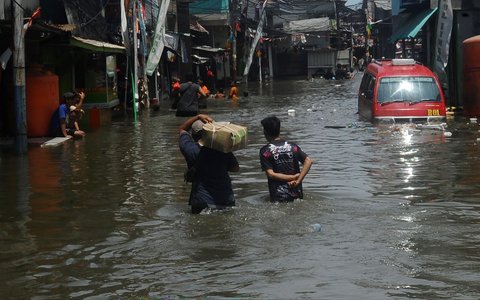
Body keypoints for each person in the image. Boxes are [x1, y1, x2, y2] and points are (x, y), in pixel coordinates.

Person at [179, 114, 240, 213]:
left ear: (194, 136)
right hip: (226, 200)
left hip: (202, 201)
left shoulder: (190, 150)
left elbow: (182, 129)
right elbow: (235, 168)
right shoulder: (223, 149)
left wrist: (198, 116)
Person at [259, 115, 313, 202]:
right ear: (279, 130)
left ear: (265, 132)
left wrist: (291, 177)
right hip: (297, 193)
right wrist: (298, 180)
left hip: (278, 196)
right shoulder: (293, 147)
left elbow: (271, 174)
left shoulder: (265, 151)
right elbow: (309, 161)